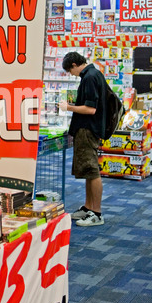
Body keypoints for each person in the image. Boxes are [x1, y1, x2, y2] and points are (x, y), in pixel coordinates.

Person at [59, 51, 107, 227]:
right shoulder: (94, 74)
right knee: (88, 169)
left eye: (70, 71)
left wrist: (68, 107)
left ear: (73, 65)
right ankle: (89, 208)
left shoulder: (89, 77)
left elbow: (90, 109)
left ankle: (97, 213)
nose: (72, 75)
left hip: (88, 129)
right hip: (88, 129)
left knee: (92, 170)